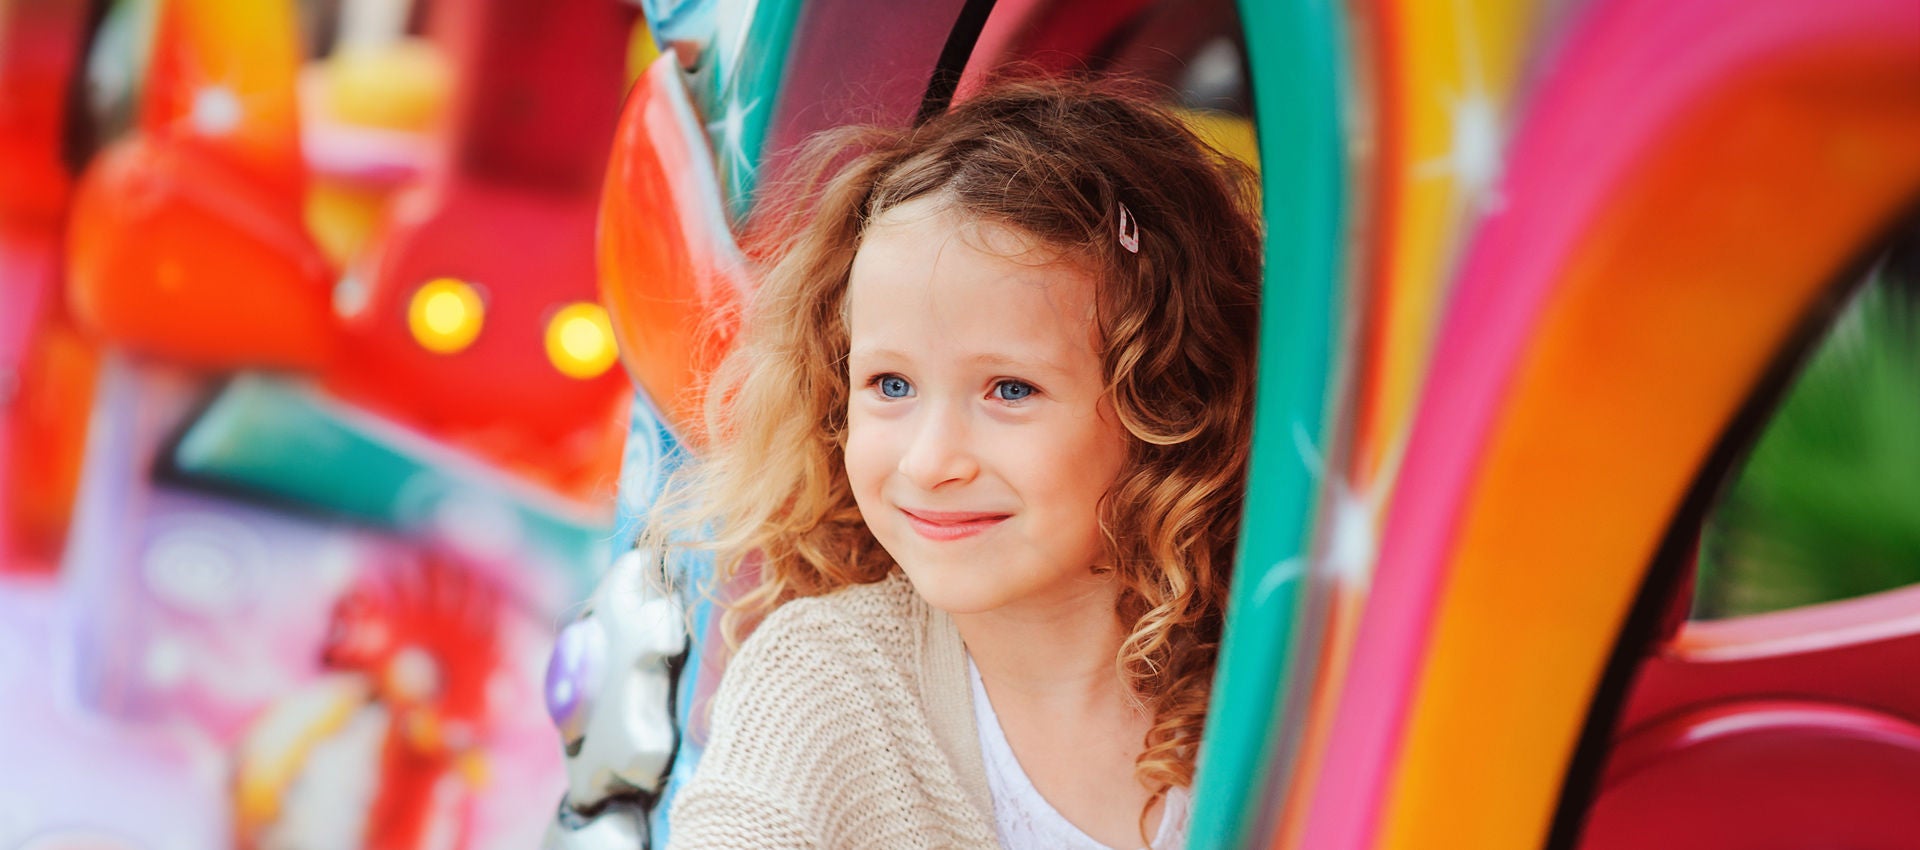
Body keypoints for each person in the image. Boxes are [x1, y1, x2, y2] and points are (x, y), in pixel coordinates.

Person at [650, 76, 1262, 850]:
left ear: (1169, 404)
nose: (932, 460)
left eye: (1010, 390)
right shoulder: (826, 685)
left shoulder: (1273, 673)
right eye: (891, 384)